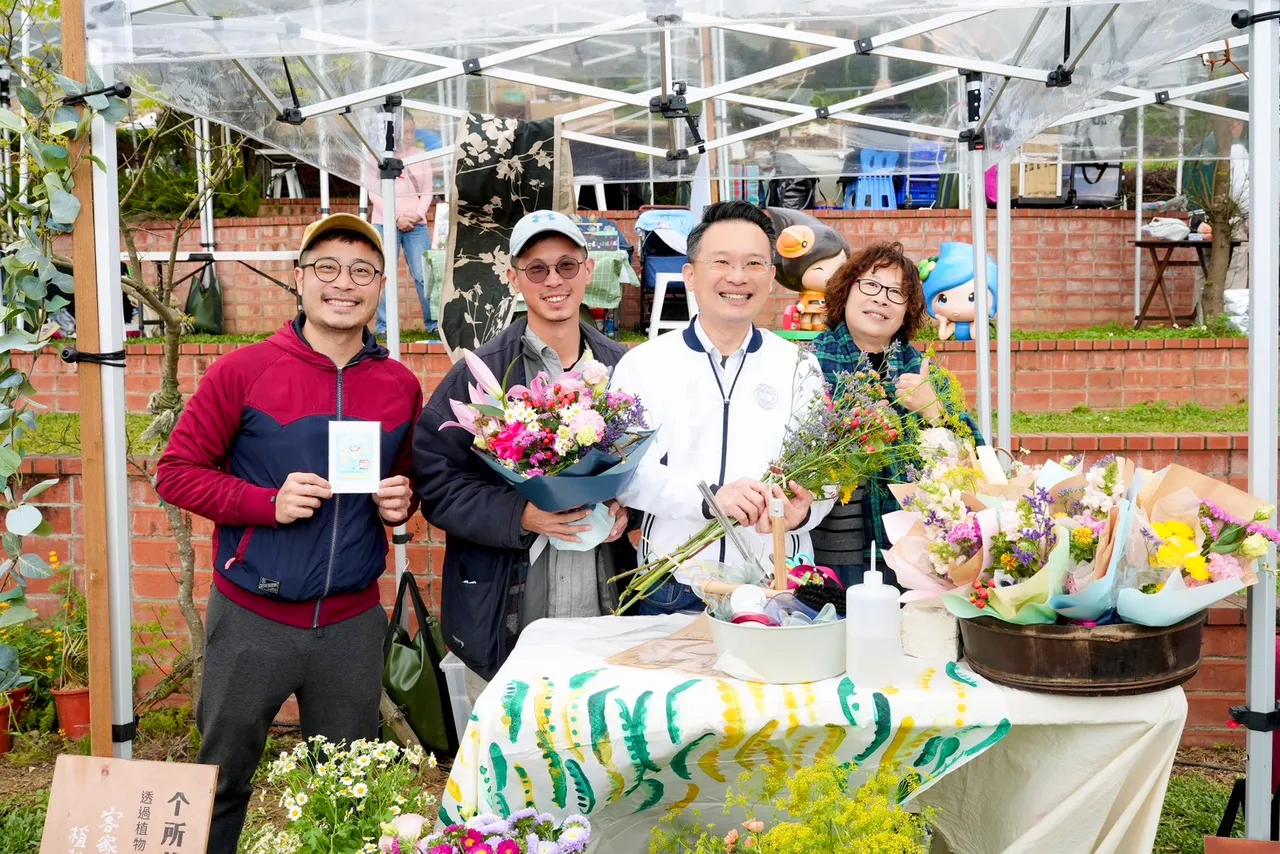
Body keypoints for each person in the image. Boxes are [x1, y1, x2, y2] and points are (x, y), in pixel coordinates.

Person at [153, 213, 421, 854]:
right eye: (326, 267)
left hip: (351, 624)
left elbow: (408, 483)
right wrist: (265, 503)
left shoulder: (398, 386)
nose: (343, 283)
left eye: (362, 271)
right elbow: (176, 474)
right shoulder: (241, 372)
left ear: (380, 285)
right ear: (299, 280)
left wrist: (400, 503)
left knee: (350, 791)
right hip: (252, 616)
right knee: (220, 781)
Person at [413, 210, 632, 694]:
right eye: (537, 268)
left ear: (588, 271)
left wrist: (628, 508)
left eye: (566, 265)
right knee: (510, 750)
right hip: (506, 603)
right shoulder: (481, 376)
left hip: (605, 591)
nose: (553, 280)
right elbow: (436, 481)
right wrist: (521, 514)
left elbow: (651, 465)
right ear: (514, 278)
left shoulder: (624, 369)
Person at [610, 201, 832, 614]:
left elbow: (826, 474)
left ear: (770, 277)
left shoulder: (799, 365)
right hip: (674, 584)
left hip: (776, 585)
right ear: (690, 275)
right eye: (722, 262)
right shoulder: (643, 364)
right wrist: (710, 499)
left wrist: (805, 510)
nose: (738, 277)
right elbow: (624, 474)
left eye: (753, 263)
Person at [809, 241, 981, 588]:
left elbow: (977, 458)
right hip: (835, 548)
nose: (881, 298)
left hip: (915, 546)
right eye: (871, 285)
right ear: (846, 291)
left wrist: (933, 411)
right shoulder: (807, 363)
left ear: (908, 310)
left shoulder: (924, 371)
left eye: (896, 293)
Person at [371, 111, 436, 334]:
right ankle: (384, 327)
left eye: (412, 131)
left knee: (423, 275)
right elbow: (374, 193)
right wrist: (396, 217)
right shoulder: (378, 157)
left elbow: (428, 191)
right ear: (394, 133)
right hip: (384, 222)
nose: (409, 136)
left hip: (416, 225)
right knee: (382, 274)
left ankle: (433, 324)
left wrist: (417, 215)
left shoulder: (421, 154)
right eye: (404, 132)